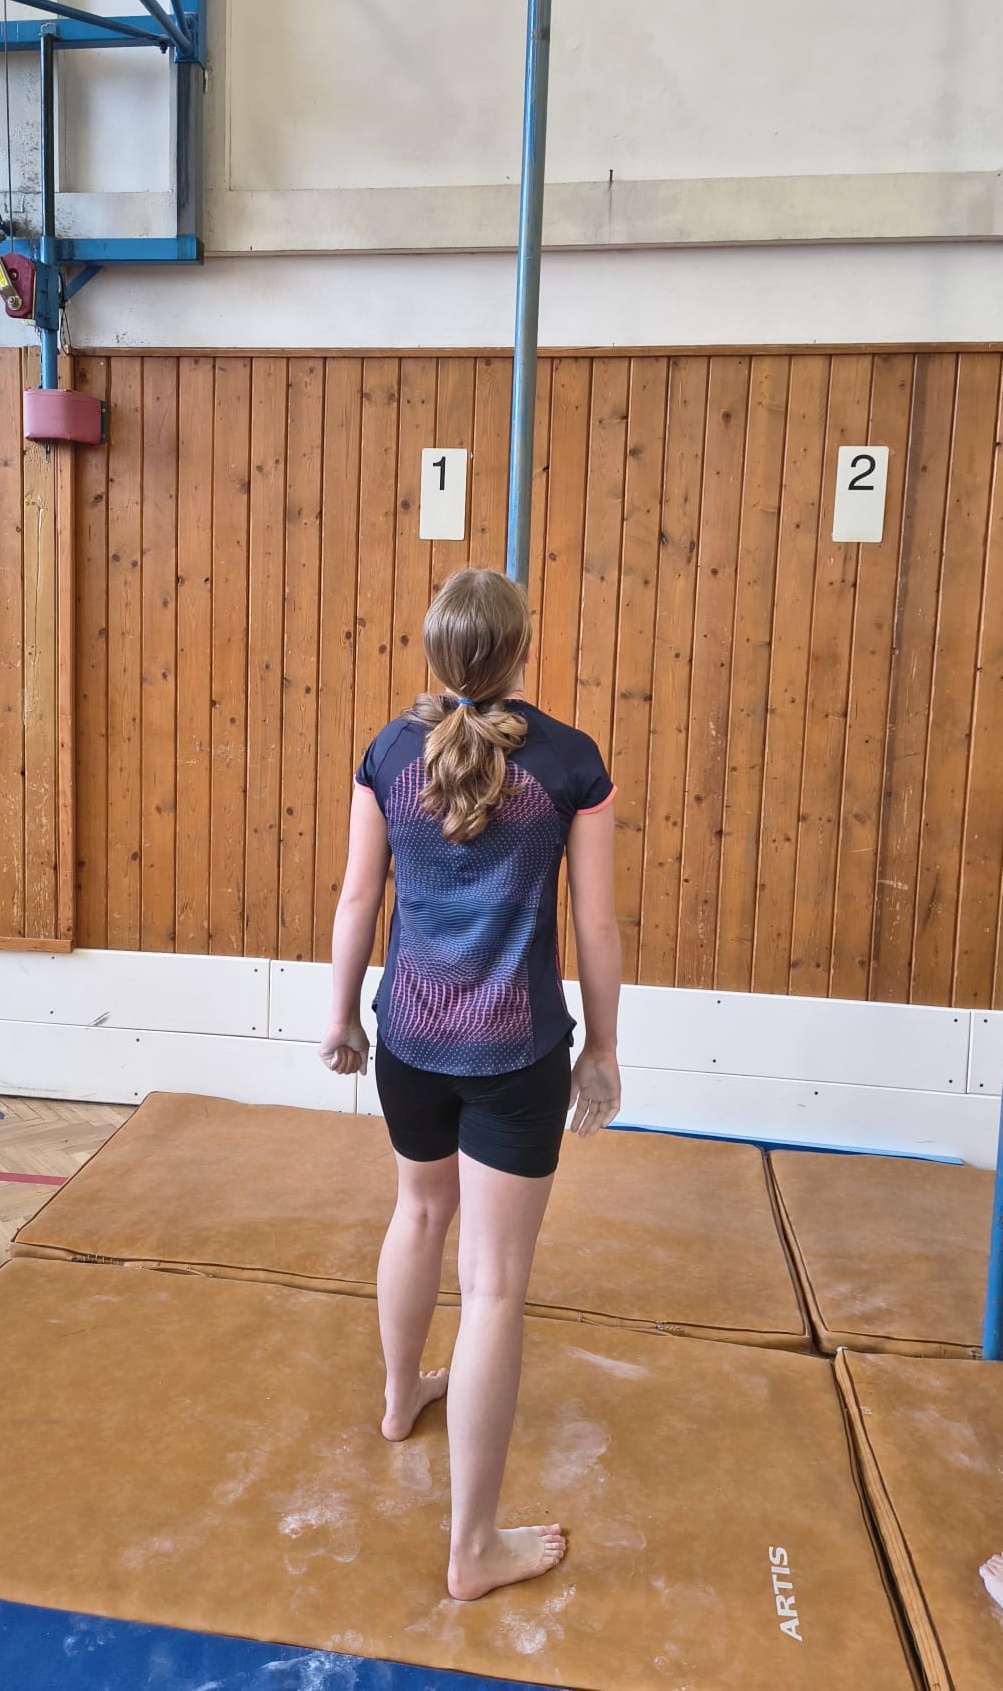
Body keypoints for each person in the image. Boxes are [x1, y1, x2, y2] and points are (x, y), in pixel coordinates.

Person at [319, 566, 621, 1602]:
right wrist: (603, 1047)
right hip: (513, 1052)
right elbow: (596, 924)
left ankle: (400, 1397)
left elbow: (357, 897)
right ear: (521, 650)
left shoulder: (389, 751)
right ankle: (473, 1546)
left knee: (416, 1211)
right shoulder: (568, 761)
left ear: (437, 651)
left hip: (409, 1038)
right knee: (491, 1286)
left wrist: (340, 1016)